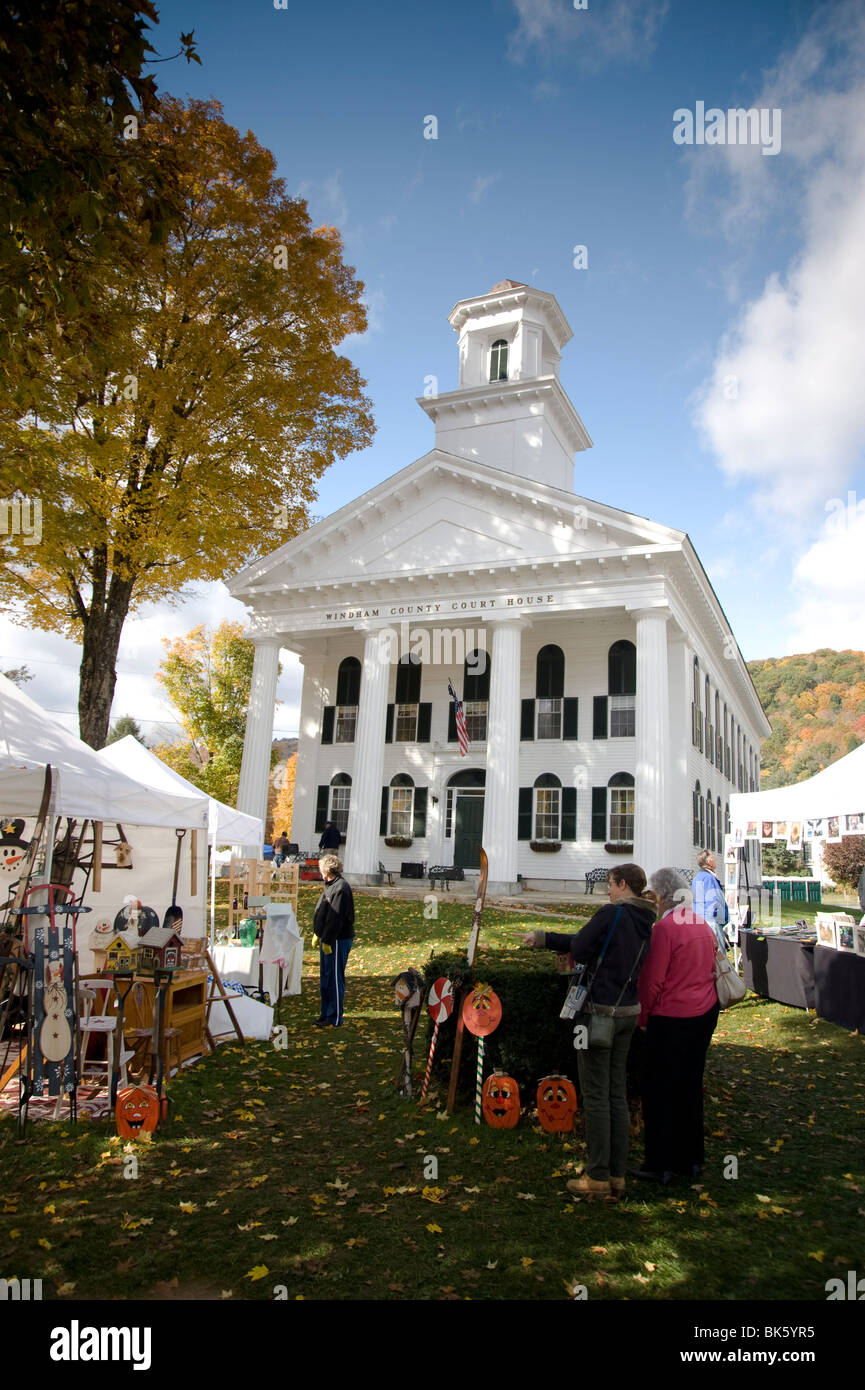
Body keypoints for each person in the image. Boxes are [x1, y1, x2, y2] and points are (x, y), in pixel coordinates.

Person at [521, 863, 655, 1200]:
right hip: (628, 1012)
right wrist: (544, 939)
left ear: (623, 884)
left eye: (610, 884)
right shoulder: (645, 920)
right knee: (615, 1094)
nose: (608, 890)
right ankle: (617, 1175)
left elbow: (581, 948)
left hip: (598, 1014)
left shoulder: (612, 915)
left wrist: (550, 941)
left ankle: (597, 1178)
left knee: (595, 1095)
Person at [633, 866, 720, 1185]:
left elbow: (652, 982)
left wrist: (644, 1019)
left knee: (658, 1090)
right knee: (689, 1086)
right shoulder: (700, 924)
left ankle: (659, 1163)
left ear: (662, 897)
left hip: (672, 1018)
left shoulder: (665, 930)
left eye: (654, 896)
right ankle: (692, 1158)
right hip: (704, 1013)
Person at [312, 853, 354, 1028]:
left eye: (321, 868)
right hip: (327, 938)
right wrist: (318, 933)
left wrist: (327, 939)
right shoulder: (330, 886)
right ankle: (325, 1013)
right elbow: (324, 912)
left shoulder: (341, 888)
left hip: (337, 939)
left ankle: (335, 1017)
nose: (319, 871)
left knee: (335, 978)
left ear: (328, 869)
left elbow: (336, 918)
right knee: (326, 977)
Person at [692, 850, 729, 951]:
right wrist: (722, 920)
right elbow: (715, 902)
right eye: (714, 857)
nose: (716, 860)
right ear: (709, 861)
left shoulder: (697, 878)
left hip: (699, 922)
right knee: (718, 958)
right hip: (711, 923)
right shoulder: (709, 878)